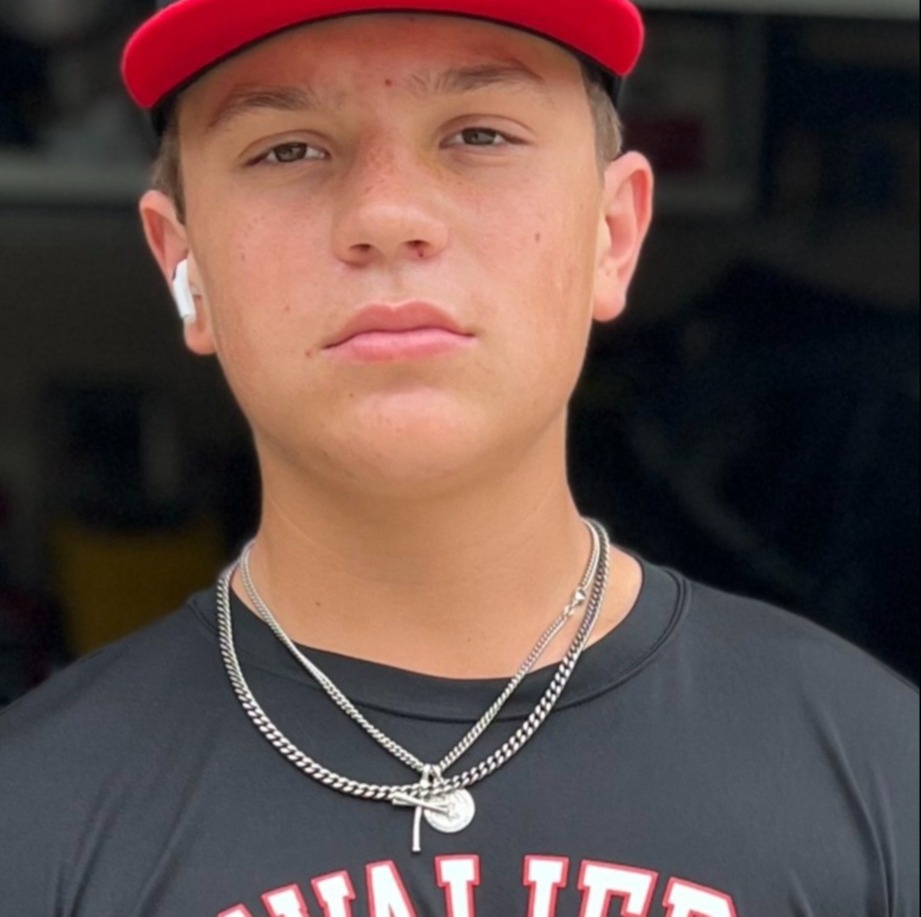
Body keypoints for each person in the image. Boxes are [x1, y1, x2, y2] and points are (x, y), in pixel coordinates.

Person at [0, 1, 917, 914]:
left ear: (613, 233)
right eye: (288, 149)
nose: (386, 214)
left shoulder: (875, 770)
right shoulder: (34, 815)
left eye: (480, 134)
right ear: (184, 267)